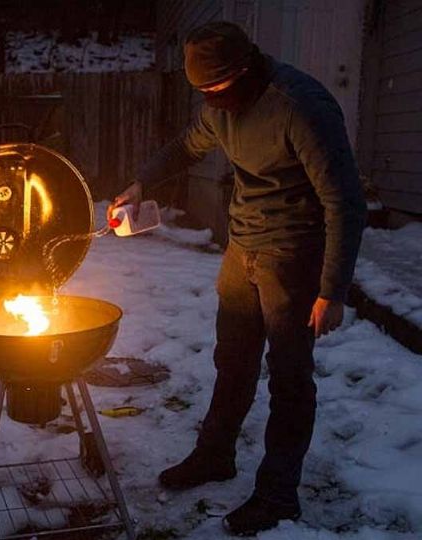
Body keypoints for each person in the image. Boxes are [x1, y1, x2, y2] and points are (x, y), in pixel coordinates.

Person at [108, 21, 367, 536]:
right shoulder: (220, 106)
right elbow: (185, 146)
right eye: (201, 92)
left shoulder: (299, 107)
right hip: (243, 245)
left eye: (215, 91)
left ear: (243, 71)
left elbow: (345, 202)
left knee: (290, 376)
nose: (210, 101)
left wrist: (331, 290)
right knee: (232, 360)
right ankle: (215, 456)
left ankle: (278, 494)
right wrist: (140, 183)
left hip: (292, 253)